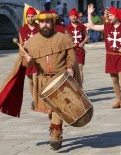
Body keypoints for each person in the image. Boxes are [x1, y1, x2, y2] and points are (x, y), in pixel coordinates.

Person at [23, 11, 80, 150]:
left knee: (57, 108)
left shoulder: (62, 38)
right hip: (43, 80)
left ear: (53, 23)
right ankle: (56, 128)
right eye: (42, 22)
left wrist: (70, 67)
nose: (45, 25)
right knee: (50, 110)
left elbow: (71, 56)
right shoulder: (31, 42)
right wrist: (28, 61)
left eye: (48, 22)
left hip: (59, 78)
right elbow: (24, 64)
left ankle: (55, 135)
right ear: (38, 23)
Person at [87, 4, 121, 108]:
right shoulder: (107, 26)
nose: (108, 17)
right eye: (108, 15)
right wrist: (89, 13)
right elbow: (92, 26)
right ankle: (118, 100)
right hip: (110, 56)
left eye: (111, 15)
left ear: (117, 16)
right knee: (114, 80)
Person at [18, 7, 38, 106]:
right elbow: (21, 45)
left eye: (32, 16)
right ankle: (34, 98)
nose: (30, 18)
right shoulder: (22, 30)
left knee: (36, 79)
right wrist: (22, 56)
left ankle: (37, 100)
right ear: (26, 18)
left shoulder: (39, 28)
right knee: (30, 80)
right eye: (28, 17)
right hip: (27, 58)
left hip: (38, 58)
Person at [65, 8, 88, 84]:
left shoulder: (82, 26)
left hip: (80, 51)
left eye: (74, 16)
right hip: (71, 52)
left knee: (80, 69)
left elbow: (86, 37)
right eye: (71, 16)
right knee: (71, 69)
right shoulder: (67, 28)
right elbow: (65, 40)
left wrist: (83, 42)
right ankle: (74, 87)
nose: (73, 17)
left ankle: (80, 88)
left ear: (77, 16)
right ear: (69, 17)